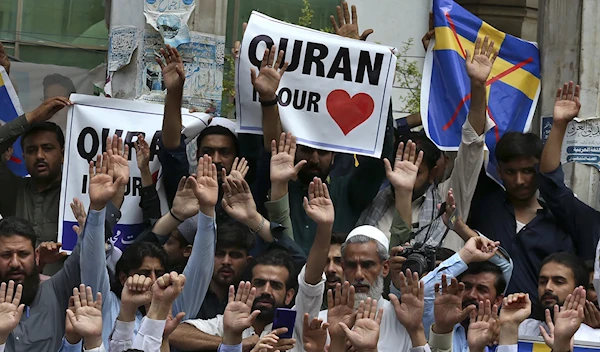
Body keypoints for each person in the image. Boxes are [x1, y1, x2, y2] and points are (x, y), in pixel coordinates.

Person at [254, 9, 395, 254]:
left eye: (324, 152)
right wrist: (268, 98)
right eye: (307, 149)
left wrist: (358, 61)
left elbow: (381, 149)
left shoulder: (348, 192)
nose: (315, 159)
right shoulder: (278, 186)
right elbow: (271, 146)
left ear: (336, 155)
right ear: (292, 149)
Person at [359, 35, 498, 252]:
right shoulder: (373, 198)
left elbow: (472, 142)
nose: (405, 177)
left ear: (433, 173)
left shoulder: (449, 199)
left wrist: (478, 86)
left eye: (416, 173)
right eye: (400, 168)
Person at [469, 82, 598, 314]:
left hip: (541, 333)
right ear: (499, 171)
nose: (519, 180)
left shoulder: (563, 221)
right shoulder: (484, 206)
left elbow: (552, 183)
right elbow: (470, 145)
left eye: (528, 171)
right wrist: (477, 86)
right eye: (511, 172)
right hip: (481, 324)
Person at [170, 177, 333, 352]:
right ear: (248, 288)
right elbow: (174, 333)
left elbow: (311, 279)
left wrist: (325, 226)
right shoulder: (232, 322)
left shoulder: (297, 324)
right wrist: (233, 342)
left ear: (289, 295)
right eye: (260, 283)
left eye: (276, 285)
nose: (266, 291)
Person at [76, 151, 216, 348]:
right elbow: (92, 263)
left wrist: (208, 211)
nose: (153, 279)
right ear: (124, 278)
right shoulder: (105, 304)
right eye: (144, 273)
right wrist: (98, 208)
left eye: (158, 273)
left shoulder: (172, 308)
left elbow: (201, 269)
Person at [156, 45, 241, 207]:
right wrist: (174, 91)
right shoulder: (185, 190)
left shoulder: (251, 194)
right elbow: (172, 148)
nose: (216, 160)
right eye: (207, 152)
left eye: (225, 152)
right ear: (196, 154)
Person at [0, 215, 83, 351]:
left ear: (36, 256)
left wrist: (96, 213)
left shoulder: (55, 291)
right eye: (6, 255)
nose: (15, 263)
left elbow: (86, 257)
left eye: (23, 254)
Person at [518, 252, 600, 342]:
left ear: (579, 291)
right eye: (542, 282)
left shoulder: (595, 339)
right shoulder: (521, 329)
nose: (547, 287)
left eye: (559, 282)